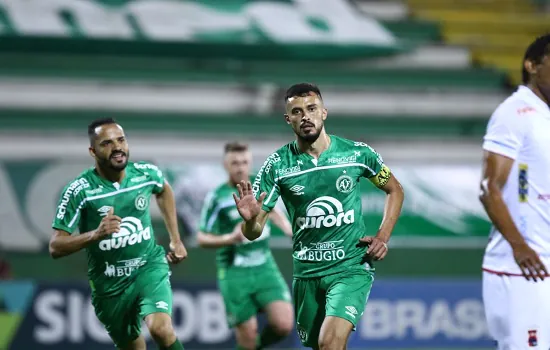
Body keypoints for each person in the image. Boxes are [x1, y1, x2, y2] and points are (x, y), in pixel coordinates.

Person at [232, 83, 405, 349]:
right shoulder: (277, 165)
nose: (306, 117)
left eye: (312, 109)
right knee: (321, 346)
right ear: (288, 119)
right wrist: (250, 219)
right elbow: (252, 233)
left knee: (329, 343)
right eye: (297, 112)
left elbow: (395, 190)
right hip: (307, 274)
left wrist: (383, 235)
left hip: (350, 268)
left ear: (324, 112)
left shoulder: (357, 154)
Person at [49, 117, 187, 350]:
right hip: (109, 285)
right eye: (107, 143)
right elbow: (55, 246)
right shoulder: (79, 190)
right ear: (93, 151)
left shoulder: (146, 173)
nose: (117, 147)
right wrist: (96, 234)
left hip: (148, 267)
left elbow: (164, 189)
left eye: (121, 140)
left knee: (161, 330)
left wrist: (176, 240)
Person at [479, 33, 550, 349]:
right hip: (520, 269)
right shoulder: (515, 112)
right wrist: (520, 246)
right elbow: (488, 187)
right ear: (532, 65)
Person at [197, 141, 294, 350]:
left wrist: (288, 229)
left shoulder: (262, 188)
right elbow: (201, 238)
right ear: (225, 165)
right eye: (235, 163)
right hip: (234, 272)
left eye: (244, 162)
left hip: (264, 266)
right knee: (247, 336)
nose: (240, 167)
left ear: (250, 163)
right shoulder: (217, 197)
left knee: (284, 324)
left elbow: (272, 211)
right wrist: (229, 239)